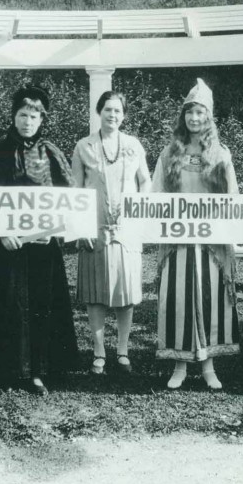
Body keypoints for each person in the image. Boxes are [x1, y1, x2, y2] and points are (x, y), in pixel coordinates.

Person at [0, 86, 79, 395]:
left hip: (42, 246)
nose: (27, 121)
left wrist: (51, 230)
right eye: (22, 115)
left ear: (41, 119)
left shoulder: (51, 151)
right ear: (14, 116)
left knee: (40, 307)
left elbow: (71, 195)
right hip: (7, 245)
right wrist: (2, 232)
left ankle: (36, 373)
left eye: (33, 116)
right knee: (4, 305)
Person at [151, 79, 240, 390]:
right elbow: (156, 195)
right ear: (183, 117)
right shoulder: (169, 153)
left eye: (200, 113)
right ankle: (179, 366)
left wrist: (229, 230)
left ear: (209, 117)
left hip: (210, 243)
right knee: (179, 301)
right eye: (189, 112)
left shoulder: (221, 154)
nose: (194, 118)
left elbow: (232, 198)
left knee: (209, 300)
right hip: (178, 241)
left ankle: (208, 366)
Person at [71, 90, 152, 375]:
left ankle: (122, 349)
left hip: (127, 231)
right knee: (96, 294)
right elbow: (76, 190)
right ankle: (98, 351)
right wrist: (80, 227)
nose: (113, 115)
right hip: (95, 231)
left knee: (125, 293)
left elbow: (145, 182)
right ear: (99, 111)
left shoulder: (133, 145)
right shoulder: (84, 146)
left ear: (124, 115)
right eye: (108, 110)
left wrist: (139, 219)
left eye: (118, 111)